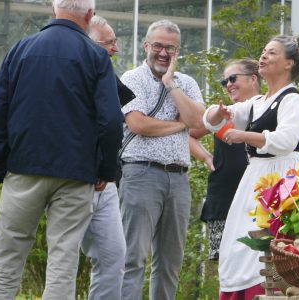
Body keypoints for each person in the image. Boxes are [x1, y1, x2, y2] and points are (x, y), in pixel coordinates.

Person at [0, 0, 124, 298]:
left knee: (8, 256)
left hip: (23, 167)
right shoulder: (97, 57)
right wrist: (106, 169)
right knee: (63, 258)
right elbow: (110, 120)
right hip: (75, 173)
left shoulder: (20, 50)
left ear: (53, 11)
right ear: (89, 15)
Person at [203, 35, 299, 300]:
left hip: (281, 180)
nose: (263, 57)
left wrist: (244, 136)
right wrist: (218, 113)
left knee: (266, 246)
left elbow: (286, 140)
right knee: (237, 244)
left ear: (288, 63)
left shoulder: (293, 100)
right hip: (256, 178)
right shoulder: (257, 103)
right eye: (263, 51)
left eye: (271, 53)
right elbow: (213, 122)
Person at [119, 19, 205, 300]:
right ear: (146, 45)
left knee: (170, 263)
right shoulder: (132, 78)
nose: (163, 53)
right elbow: (139, 125)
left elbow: (200, 124)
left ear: (178, 51)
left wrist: (170, 85)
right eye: (158, 45)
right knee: (133, 259)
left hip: (179, 179)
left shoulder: (187, 83)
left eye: (171, 48)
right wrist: (181, 125)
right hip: (141, 174)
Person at [80, 15, 131, 300]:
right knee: (64, 257)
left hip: (106, 179)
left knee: (114, 256)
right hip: (76, 178)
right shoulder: (72, 78)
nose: (116, 49)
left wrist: (107, 171)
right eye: (109, 42)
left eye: (115, 41)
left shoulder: (109, 78)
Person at [190, 58, 261, 261]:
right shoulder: (221, 115)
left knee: (259, 263)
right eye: (225, 82)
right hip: (224, 199)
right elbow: (189, 134)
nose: (228, 84)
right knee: (225, 262)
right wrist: (206, 157)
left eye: (232, 78)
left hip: (257, 199)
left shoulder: (267, 109)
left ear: (253, 79)